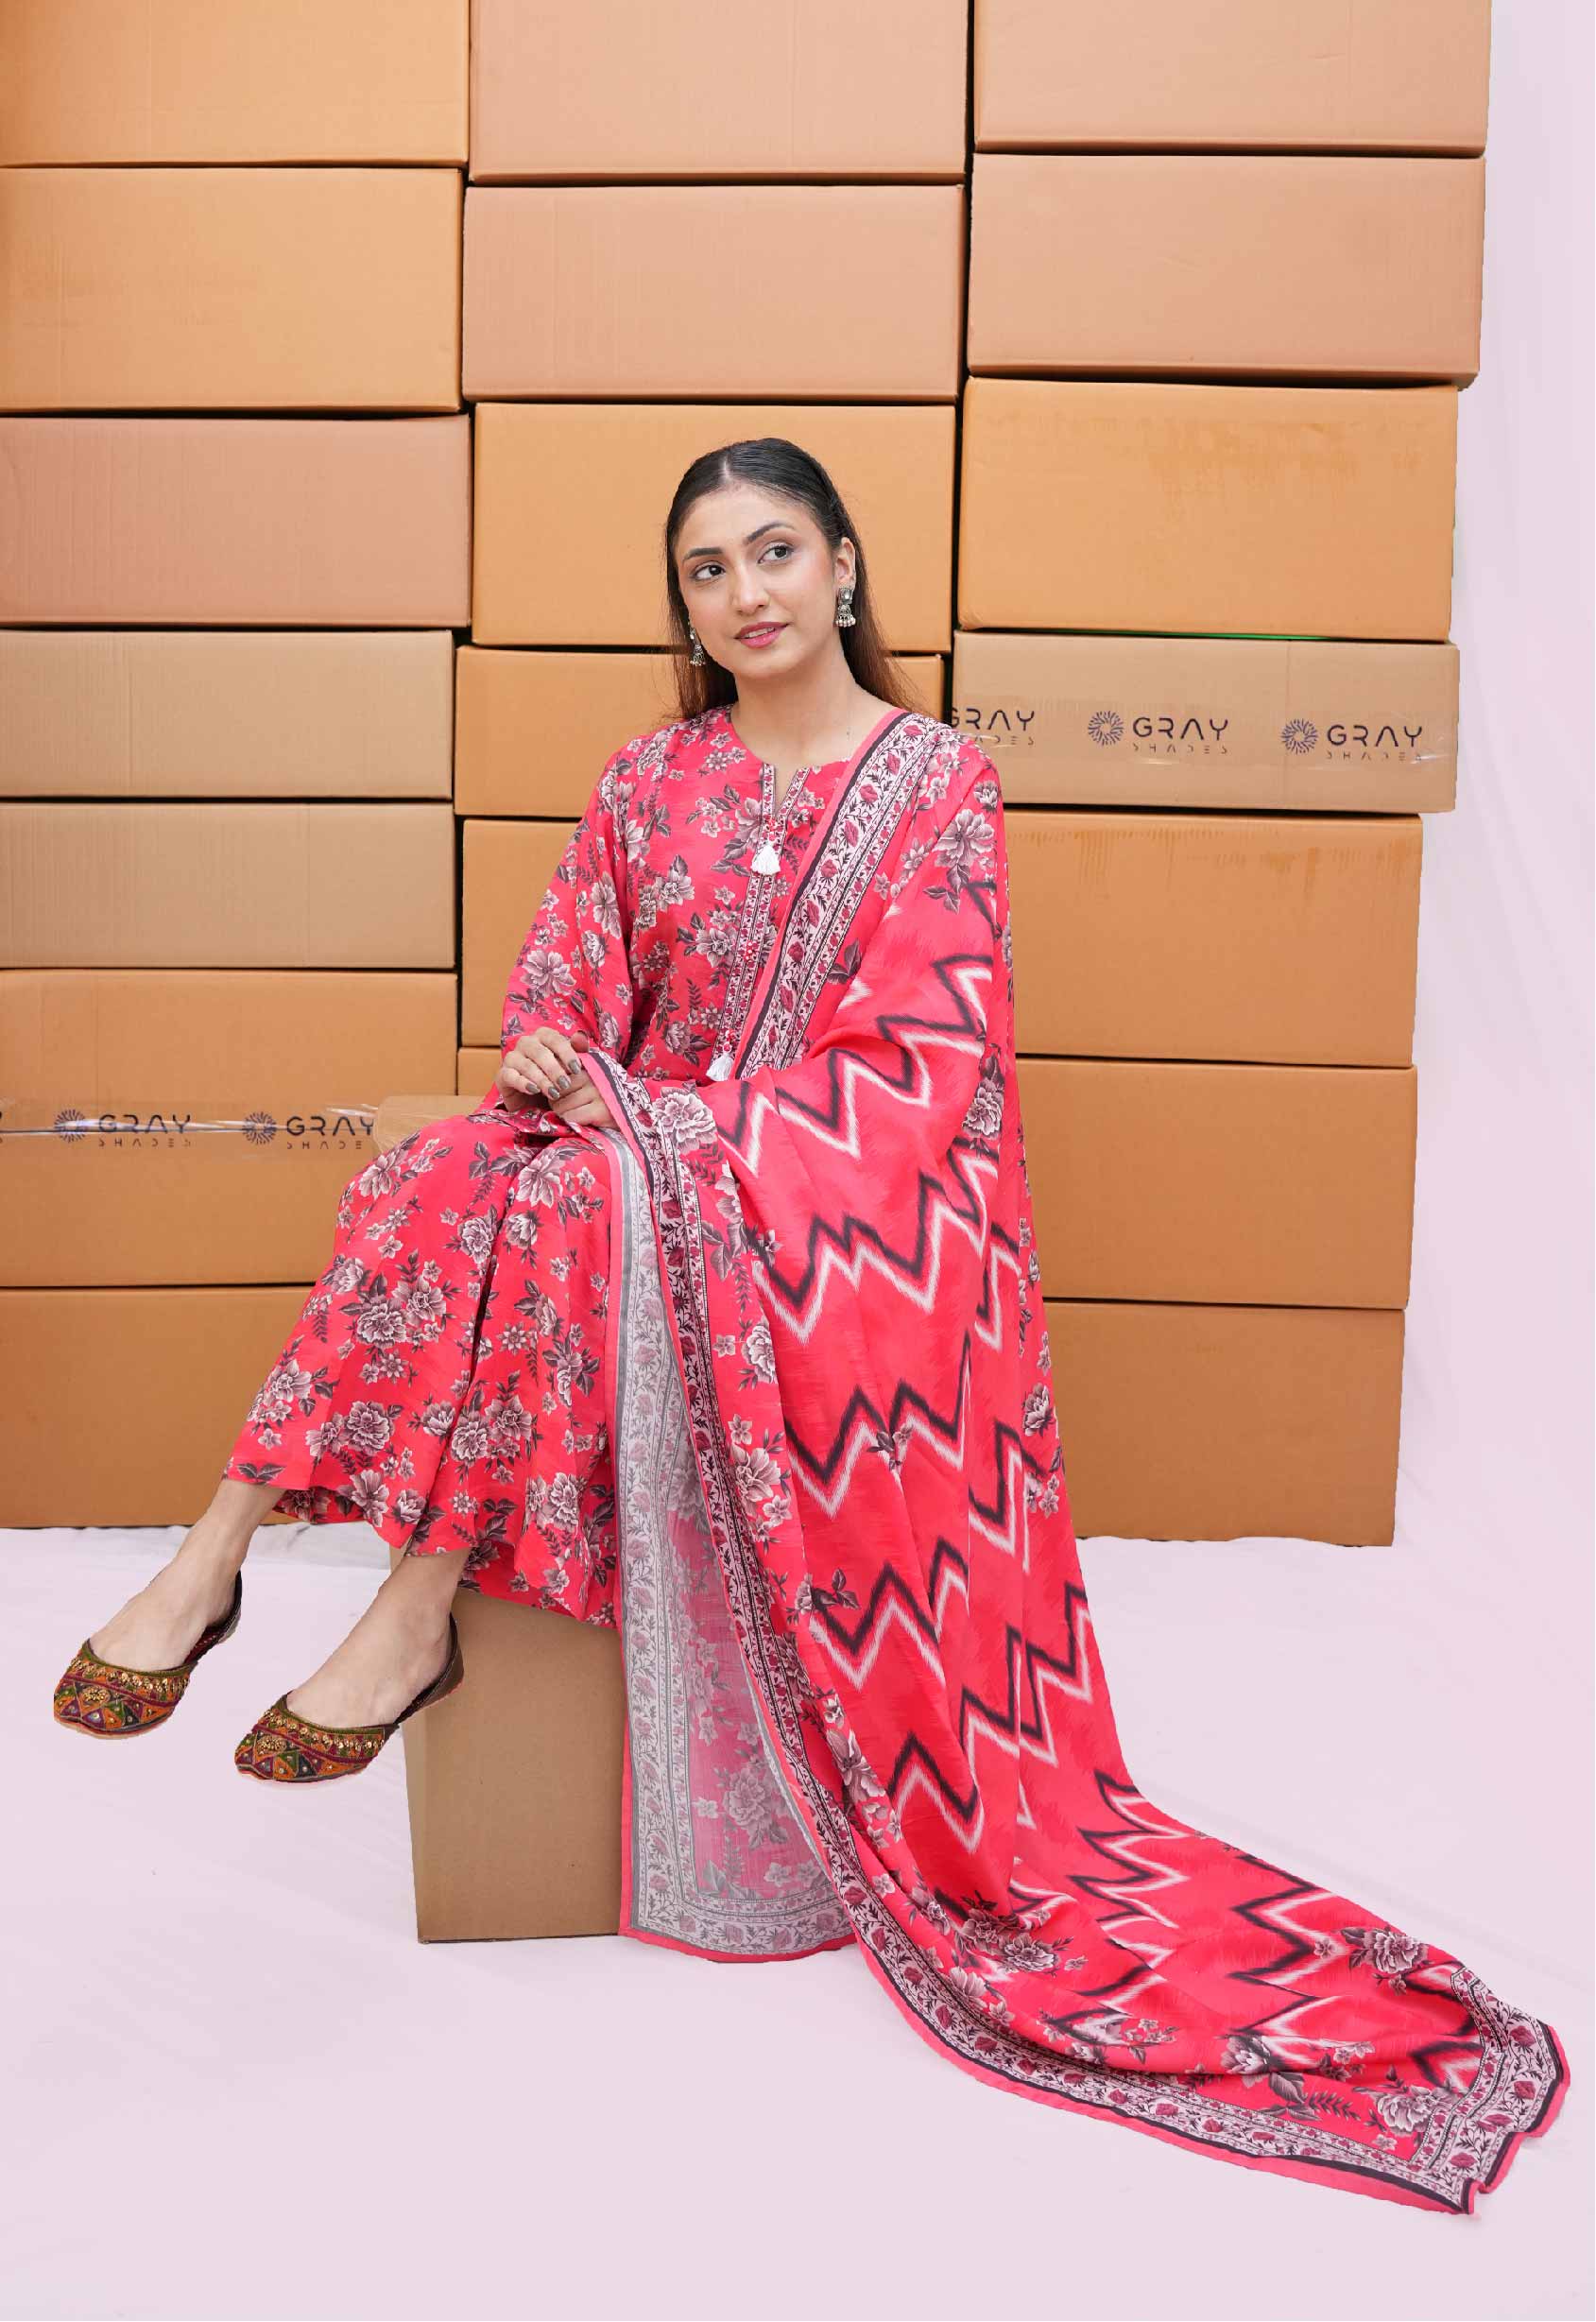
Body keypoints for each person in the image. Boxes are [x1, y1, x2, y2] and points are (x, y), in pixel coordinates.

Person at [52, 438, 1570, 2210]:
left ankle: (405, 1604)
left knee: (548, 1195)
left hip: (826, 1232)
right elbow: (567, 977)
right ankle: (218, 1545)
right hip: (646, 1174)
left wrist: (670, 1131)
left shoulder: (936, 786)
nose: (745, 592)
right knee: (434, 1176)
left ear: (845, 567)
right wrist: (552, 1046)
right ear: (684, 607)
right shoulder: (648, 782)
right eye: (706, 570)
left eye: (775, 551)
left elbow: (927, 1083)